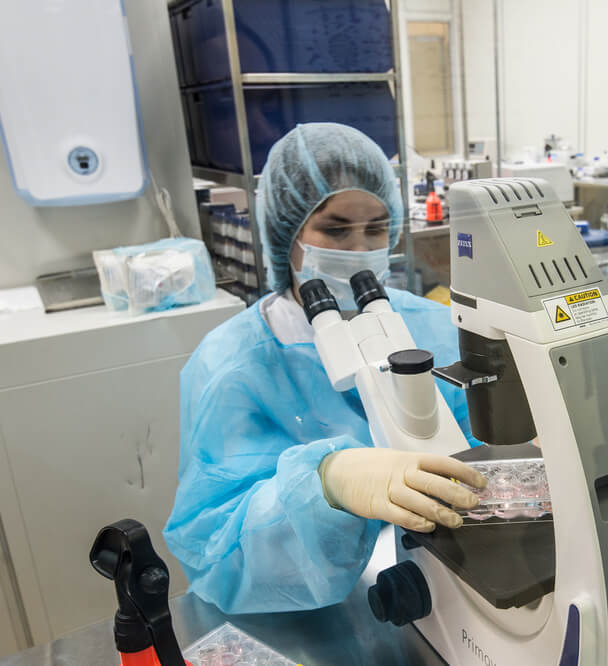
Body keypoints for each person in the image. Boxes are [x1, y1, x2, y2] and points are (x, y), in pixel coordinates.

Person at [164, 123, 486, 614]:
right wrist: (324, 487)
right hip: (307, 610)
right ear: (285, 232)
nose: (358, 249)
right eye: (335, 230)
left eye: (376, 228)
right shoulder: (231, 365)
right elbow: (215, 552)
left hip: (450, 582)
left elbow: (480, 460)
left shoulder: (430, 325)